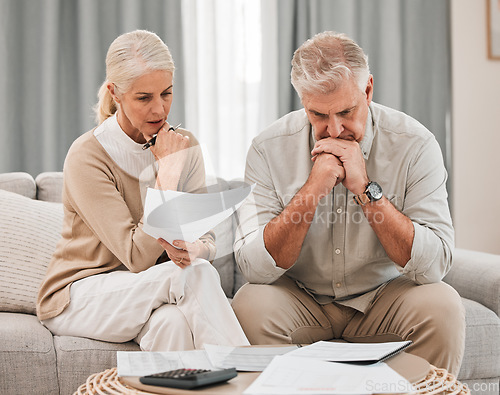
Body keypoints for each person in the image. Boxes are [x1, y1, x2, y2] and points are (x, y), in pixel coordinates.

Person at [231, 31, 465, 375]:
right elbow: (254, 267)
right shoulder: (268, 148)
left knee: (442, 305)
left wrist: (366, 189)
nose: (335, 130)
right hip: (301, 298)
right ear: (302, 101)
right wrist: (312, 190)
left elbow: (436, 263)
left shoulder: (415, 145)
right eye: (318, 115)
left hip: (383, 298)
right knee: (250, 304)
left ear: (367, 90)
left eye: (346, 111)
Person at [36, 30, 249, 351]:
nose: (159, 110)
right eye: (143, 97)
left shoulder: (184, 144)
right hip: (79, 294)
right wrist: (167, 173)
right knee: (191, 276)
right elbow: (136, 256)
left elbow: (206, 239)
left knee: (173, 324)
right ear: (115, 93)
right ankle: (252, 380)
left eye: (166, 93)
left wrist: (196, 250)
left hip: (148, 289)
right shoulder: (87, 155)